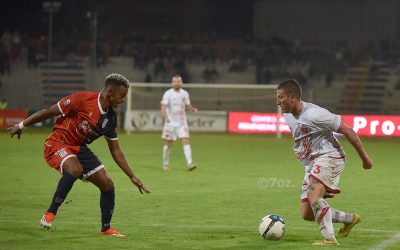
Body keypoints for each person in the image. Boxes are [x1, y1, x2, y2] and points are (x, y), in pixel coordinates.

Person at [8, 73, 150, 237]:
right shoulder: (83, 99)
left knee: (108, 185)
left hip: (79, 148)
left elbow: (115, 150)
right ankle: (49, 214)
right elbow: (50, 111)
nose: (124, 99)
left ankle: (106, 229)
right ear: (110, 92)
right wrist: (21, 125)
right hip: (57, 142)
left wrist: (132, 176)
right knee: (75, 169)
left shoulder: (111, 117)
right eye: (122, 95)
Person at [276, 79, 373, 246]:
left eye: (281, 97)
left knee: (314, 194)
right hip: (313, 163)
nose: (278, 101)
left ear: (292, 97)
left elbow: (348, 130)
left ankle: (329, 239)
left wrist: (365, 158)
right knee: (306, 213)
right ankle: (349, 219)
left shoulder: (316, 114)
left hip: (330, 157)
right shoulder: (287, 115)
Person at [161, 74, 198, 171]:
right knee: (168, 143)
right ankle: (165, 163)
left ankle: (190, 164)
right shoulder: (168, 93)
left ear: (181, 82)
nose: (177, 83)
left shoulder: (185, 93)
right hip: (171, 123)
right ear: (172, 83)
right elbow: (163, 107)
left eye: (178, 81)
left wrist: (192, 109)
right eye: (175, 81)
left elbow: (187, 105)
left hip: (182, 123)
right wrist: (166, 118)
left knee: (185, 140)